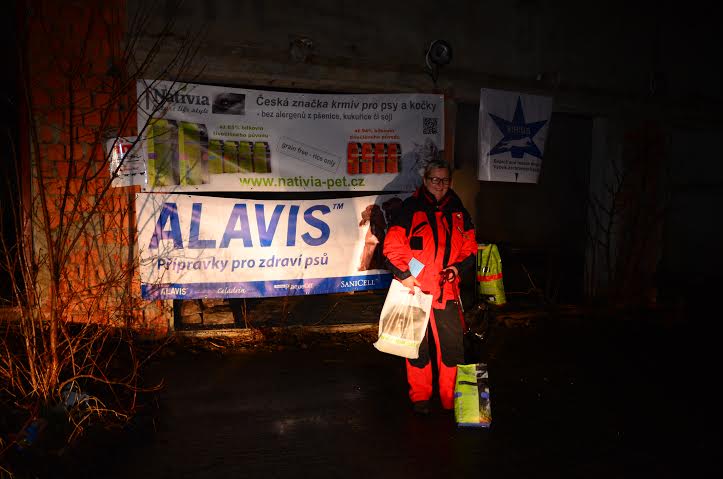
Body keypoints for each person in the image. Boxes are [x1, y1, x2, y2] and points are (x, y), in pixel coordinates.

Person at [383, 159, 477, 414]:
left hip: (446, 291)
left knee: (452, 349)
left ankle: (451, 400)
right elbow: (392, 248)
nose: (440, 184)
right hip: (415, 291)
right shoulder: (410, 209)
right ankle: (420, 397)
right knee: (416, 347)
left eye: (445, 180)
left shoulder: (458, 210)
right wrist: (405, 276)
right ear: (425, 180)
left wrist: (456, 268)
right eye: (435, 179)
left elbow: (470, 248)